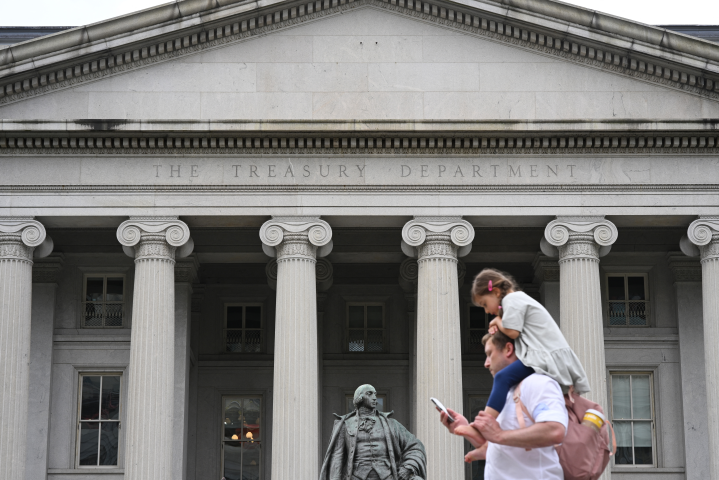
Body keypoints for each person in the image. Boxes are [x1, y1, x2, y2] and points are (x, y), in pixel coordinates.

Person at [459, 268, 589, 454]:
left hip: (545, 357)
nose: (487, 311)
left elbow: (513, 332)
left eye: (485, 304)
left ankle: (483, 424)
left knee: (503, 378)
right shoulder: (516, 301)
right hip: (543, 355)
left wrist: (497, 322)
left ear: (496, 292)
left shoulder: (512, 299)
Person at [440, 331, 568, 478]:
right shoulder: (507, 394)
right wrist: (464, 428)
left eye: (489, 354)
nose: (486, 363)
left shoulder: (538, 383)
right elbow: (501, 447)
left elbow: (555, 430)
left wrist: (499, 435)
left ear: (508, 349)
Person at [319, 384, 427, 480]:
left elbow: (416, 446)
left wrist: (408, 467)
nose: (375, 398)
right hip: (356, 477)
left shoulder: (391, 424)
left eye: (375, 394)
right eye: (370, 394)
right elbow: (337, 458)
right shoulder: (345, 424)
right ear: (359, 398)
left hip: (387, 476)